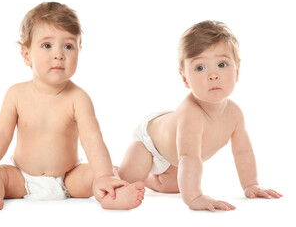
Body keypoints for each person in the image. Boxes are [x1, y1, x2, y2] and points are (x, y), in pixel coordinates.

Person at [0, 2, 145, 210]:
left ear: (79, 50)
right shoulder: (16, 94)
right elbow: (0, 134)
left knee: (100, 173)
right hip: (21, 177)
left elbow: (92, 140)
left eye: (68, 46)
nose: (59, 54)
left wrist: (103, 175)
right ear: (26, 55)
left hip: (69, 178)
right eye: (47, 45)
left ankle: (110, 195)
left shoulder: (78, 98)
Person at [118, 20, 282, 212]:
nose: (213, 75)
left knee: (175, 186)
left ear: (237, 71)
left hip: (175, 156)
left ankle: (149, 178)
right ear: (185, 78)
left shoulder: (235, 114)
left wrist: (250, 185)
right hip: (151, 142)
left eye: (221, 64)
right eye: (200, 68)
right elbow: (188, 157)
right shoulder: (191, 115)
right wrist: (194, 197)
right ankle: (115, 172)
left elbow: (242, 152)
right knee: (127, 180)